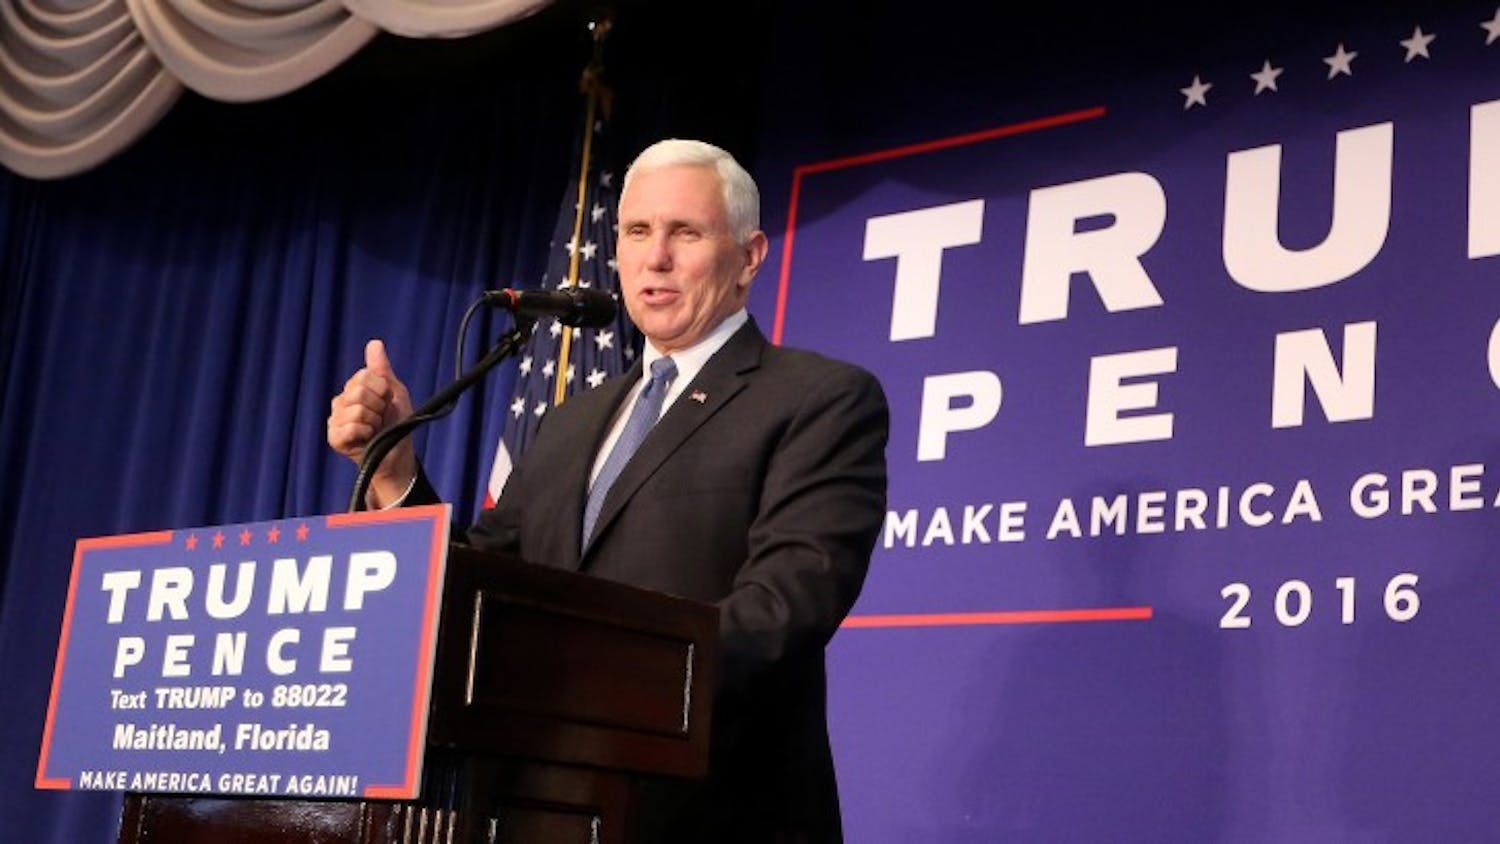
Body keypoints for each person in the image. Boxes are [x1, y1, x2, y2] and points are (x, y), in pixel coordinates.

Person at [327, 138, 889, 842]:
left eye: (685, 232)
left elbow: (785, 609)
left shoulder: (818, 399)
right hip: (538, 808)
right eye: (637, 232)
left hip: (712, 813)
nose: (656, 258)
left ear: (748, 257)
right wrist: (393, 470)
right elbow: (482, 583)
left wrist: (579, 686)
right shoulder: (574, 421)